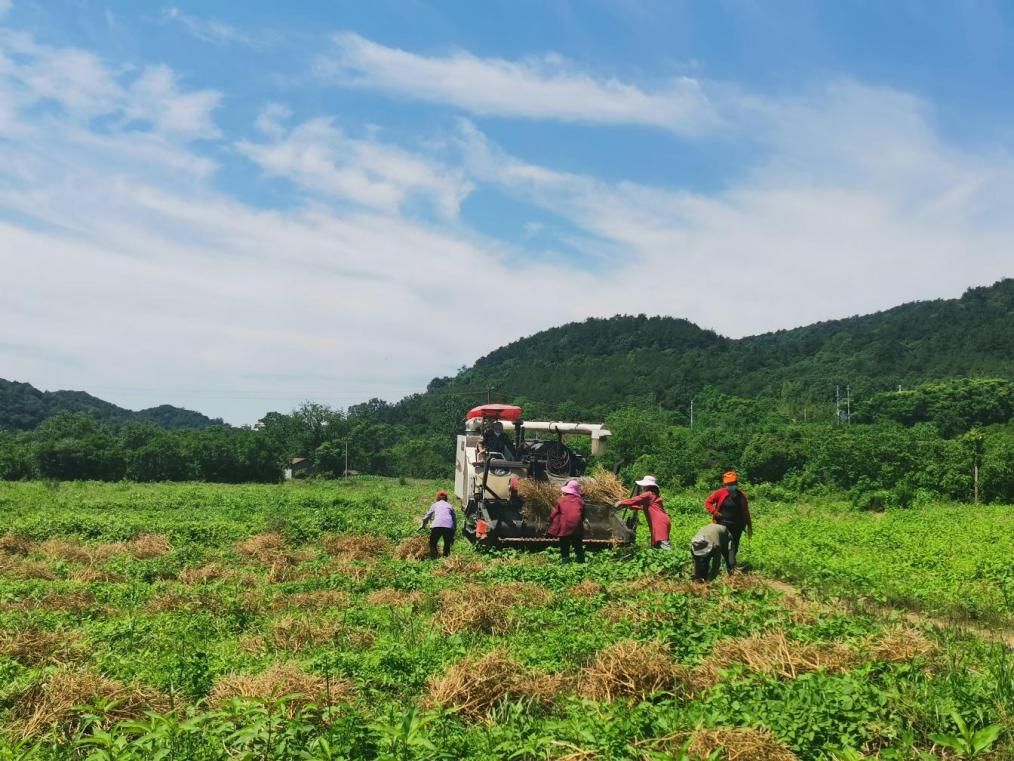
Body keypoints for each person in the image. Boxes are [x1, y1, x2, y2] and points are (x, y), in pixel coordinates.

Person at [704, 471, 752, 571]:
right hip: (722, 526)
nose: (731, 486)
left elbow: (746, 512)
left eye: (733, 483)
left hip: (737, 526)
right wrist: (715, 513)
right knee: (725, 547)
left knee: (734, 546)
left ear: (736, 483)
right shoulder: (720, 493)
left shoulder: (741, 496)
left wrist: (749, 525)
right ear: (725, 484)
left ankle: (731, 567)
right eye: (729, 484)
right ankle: (730, 566)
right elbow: (708, 503)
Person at [616, 475, 672, 550]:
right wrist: (631, 506)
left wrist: (621, 503)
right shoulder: (653, 495)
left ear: (648, 486)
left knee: (664, 545)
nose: (642, 487)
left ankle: (671, 559)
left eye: (644, 485)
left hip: (660, 522)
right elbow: (647, 507)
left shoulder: (648, 494)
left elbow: (636, 499)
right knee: (657, 545)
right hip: (663, 520)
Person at [548, 479, 586, 564]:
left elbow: (553, 513)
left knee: (564, 545)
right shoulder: (581, 501)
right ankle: (581, 562)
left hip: (565, 528)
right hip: (577, 528)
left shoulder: (561, 500)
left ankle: (565, 563)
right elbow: (583, 516)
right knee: (578, 545)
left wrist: (550, 521)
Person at [420, 490, 456, 559]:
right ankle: (446, 558)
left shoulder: (435, 505)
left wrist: (423, 525)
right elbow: (454, 519)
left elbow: (427, 516)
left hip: (437, 526)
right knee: (447, 545)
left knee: (432, 543)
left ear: (437, 498)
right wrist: (454, 530)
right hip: (448, 527)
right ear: (446, 498)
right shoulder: (450, 505)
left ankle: (435, 557)